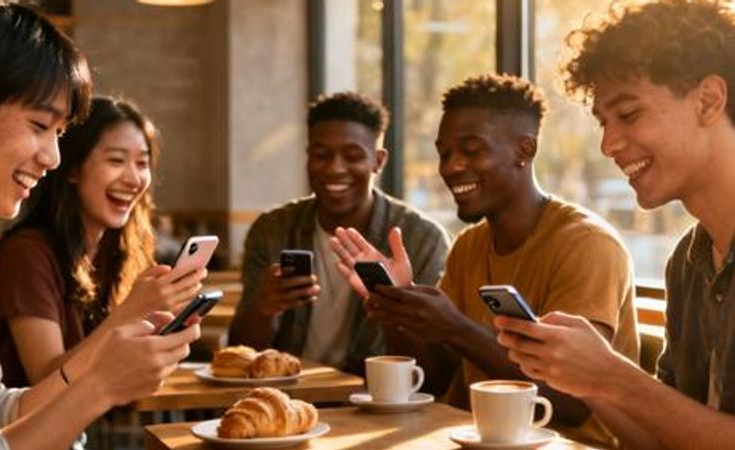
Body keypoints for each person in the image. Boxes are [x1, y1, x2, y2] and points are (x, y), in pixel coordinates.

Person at [0, 1, 199, 449]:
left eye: (58, 134)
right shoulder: (18, 253)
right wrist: (101, 386)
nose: (53, 158)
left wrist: (105, 368)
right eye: (39, 125)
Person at [330, 74, 638, 446]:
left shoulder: (587, 245)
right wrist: (398, 310)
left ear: (525, 150)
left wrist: (456, 328)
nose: (450, 167)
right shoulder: (469, 245)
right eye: (444, 153)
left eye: (472, 150)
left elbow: (572, 404)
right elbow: (433, 380)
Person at [494, 1, 735, 449]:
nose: (608, 145)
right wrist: (587, 379)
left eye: (628, 115)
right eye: (604, 123)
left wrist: (614, 377)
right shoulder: (688, 261)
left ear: (708, 100)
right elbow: (663, 441)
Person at [0, 96, 205, 387]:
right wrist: (131, 311)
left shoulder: (116, 250)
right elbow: (46, 379)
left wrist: (163, 330)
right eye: (116, 160)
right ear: (73, 168)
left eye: (142, 163)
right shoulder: (25, 255)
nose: (134, 179)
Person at [228, 92, 449, 375]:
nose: (334, 168)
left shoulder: (421, 239)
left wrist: (395, 309)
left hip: (373, 395)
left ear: (378, 161)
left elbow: (432, 371)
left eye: (353, 156)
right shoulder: (272, 230)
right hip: (290, 393)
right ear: (308, 157)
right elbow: (240, 353)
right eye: (321, 155)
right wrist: (263, 308)